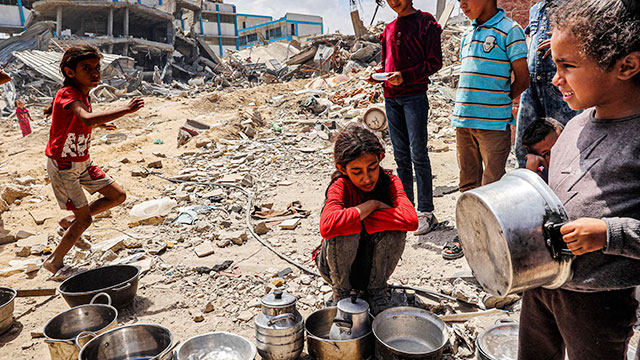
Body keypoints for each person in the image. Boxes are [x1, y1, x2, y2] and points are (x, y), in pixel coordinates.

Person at [518, 0, 640, 358]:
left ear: (627, 65)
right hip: (543, 284)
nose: (555, 79)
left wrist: (607, 233)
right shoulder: (574, 125)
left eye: (567, 66)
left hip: (597, 303)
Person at [43, 45, 144, 274]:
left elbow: (82, 120)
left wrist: (100, 123)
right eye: (86, 68)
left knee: (117, 195)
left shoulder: (82, 94)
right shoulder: (68, 94)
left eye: (97, 67)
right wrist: (125, 110)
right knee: (85, 221)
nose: (95, 72)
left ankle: (72, 219)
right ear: (71, 73)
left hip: (83, 162)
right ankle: (54, 261)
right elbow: (86, 119)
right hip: (65, 167)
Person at [449, 0, 530, 259]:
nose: (461, 4)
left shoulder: (510, 30)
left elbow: (523, 77)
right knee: (468, 182)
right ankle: (469, 233)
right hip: (463, 121)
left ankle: (490, 237)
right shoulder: (467, 34)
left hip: (494, 124)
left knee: (492, 183)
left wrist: (499, 102)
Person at [315, 124, 418, 315]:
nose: (367, 178)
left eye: (372, 168)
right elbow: (327, 226)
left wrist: (359, 218)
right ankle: (341, 293)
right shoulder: (340, 186)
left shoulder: (390, 182)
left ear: (380, 159)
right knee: (344, 229)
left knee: (394, 230)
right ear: (342, 169)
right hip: (336, 267)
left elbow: (410, 220)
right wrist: (373, 205)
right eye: (357, 172)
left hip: (373, 267)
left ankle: (377, 291)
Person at [369, 0, 442, 235]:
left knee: (418, 154)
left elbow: (434, 62)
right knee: (400, 156)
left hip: (414, 96)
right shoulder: (388, 29)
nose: (393, 2)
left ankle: (426, 211)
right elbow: (386, 64)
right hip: (391, 98)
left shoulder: (426, 23)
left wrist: (406, 76)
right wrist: (378, 76)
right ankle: (406, 208)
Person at [514, 0, 580, 168]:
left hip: (558, 85)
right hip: (532, 84)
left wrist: (559, 42)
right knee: (524, 142)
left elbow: (587, 35)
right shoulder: (536, 9)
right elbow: (530, 35)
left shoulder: (573, 5)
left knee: (564, 140)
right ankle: (527, 182)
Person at [520, 117, 563, 182]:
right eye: (547, 154)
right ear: (541, 160)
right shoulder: (542, 171)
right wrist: (531, 172)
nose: (556, 154)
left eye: (558, 146)